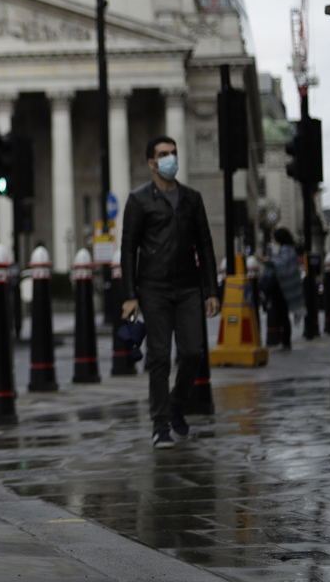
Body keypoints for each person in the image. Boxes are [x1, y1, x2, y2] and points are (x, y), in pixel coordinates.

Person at [119, 136, 220, 450]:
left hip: (188, 286)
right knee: (159, 357)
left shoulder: (192, 198)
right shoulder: (138, 200)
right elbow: (128, 248)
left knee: (193, 353)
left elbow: (205, 244)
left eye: (173, 153)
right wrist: (130, 295)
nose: (170, 159)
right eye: (164, 154)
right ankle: (160, 425)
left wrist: (211, 290)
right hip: (153, 288)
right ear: (151, 163)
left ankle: (176, 404)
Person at [264, 228, 305, 351]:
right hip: (282, 287)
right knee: (281, 315)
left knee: (282, 315)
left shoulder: (287, 251)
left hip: (283, 288)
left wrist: (269, 261)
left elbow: (281, 265)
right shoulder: (287, 250)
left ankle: (285, 341)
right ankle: (283, 340)